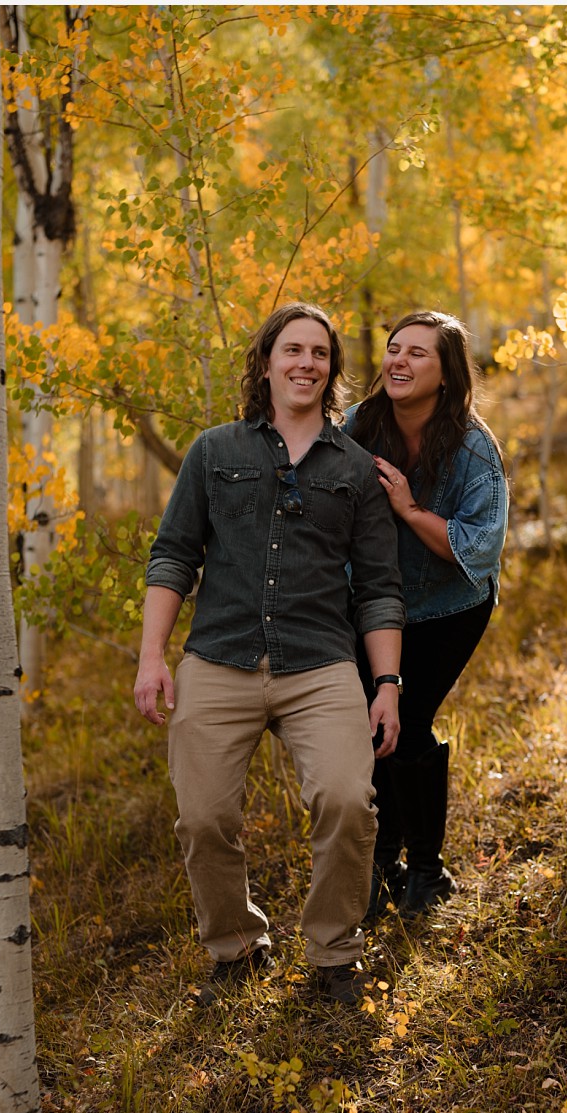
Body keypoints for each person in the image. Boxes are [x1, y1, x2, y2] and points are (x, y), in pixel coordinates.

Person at [134, 302, 405, 1008]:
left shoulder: (355, 469)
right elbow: (172, 556)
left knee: (348, 799)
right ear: (265, 361)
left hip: (320, 664)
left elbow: (379, 588)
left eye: (320, 352)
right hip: (219, 657)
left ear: (332, 370)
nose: (306, 363)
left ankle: (334, 952)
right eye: (293, 349)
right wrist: (151, 657)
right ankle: (236, 948)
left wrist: (387, 683)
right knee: (202, 819)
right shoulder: (214, 451)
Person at [344, 310, 508, 921]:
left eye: (418, 353)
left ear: (447, 374)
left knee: (407, 717)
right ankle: (384, 863)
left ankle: (427, 870)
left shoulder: (471, 446)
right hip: (377, 603)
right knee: (373, 723)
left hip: (451, 604)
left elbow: (479, 546)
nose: (400, 361)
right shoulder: (361, 426)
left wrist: (410, 511)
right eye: (393, 349)